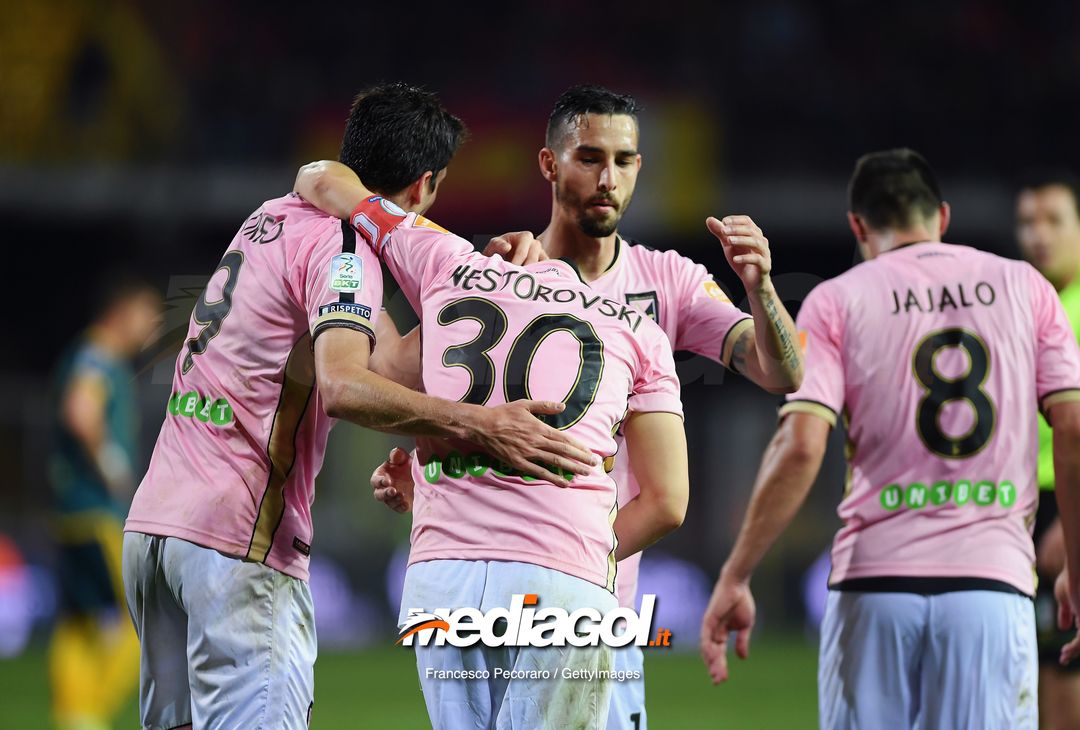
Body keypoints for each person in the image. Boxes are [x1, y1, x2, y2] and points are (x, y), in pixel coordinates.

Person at [300, 84, 803, 730]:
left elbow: (779, 370)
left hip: (578, 583)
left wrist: (760, 290)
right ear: (549, 164)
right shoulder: (495, 271)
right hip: (552, 579)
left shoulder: (667, 281)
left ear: (640, 170)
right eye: (589, 157)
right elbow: (417, 388)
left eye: (624, 161)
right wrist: (427, 472)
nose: (607, 178)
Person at [121, 83, 597, 730]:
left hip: (156, 533)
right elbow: (344, 385)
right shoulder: (343, 250)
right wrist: (485, 424)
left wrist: (489, 290)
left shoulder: (273, 219)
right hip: (236, 537)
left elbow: (391, 363)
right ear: (425, 185)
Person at [294, 145, 692, 726]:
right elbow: (667, 503)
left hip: (442, 578)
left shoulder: (448, 262)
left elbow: (321, 178)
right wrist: (574, 552)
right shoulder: (638, 330)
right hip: (560, 578)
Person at [700, 148, 1080, 730]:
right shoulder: (1026, 288)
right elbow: (1073, 430)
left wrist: (737, 572)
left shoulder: (838, 299)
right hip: (991, 583)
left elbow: (801, 445)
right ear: (942, 217)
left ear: (858, 225)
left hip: (875, 586)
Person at [48, 271, 161, 730]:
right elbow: (81, 411)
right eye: (148, 313)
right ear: (124, 311)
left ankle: (74, 717)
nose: (153, 325)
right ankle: (91, 714)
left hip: (69, 512)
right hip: (98, 512)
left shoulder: (87, 353)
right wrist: (113, 468)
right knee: (144, 620)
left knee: (79, 624)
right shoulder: (97, 355)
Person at [1016, 172, 1080, 730]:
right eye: (1028, 222)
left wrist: (1073, 522)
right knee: (1030, 663)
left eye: (1054, 220)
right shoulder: (1028, 308)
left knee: (1062, 662)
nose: (1038, 235)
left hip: (1068, 503)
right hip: (1027, 504)